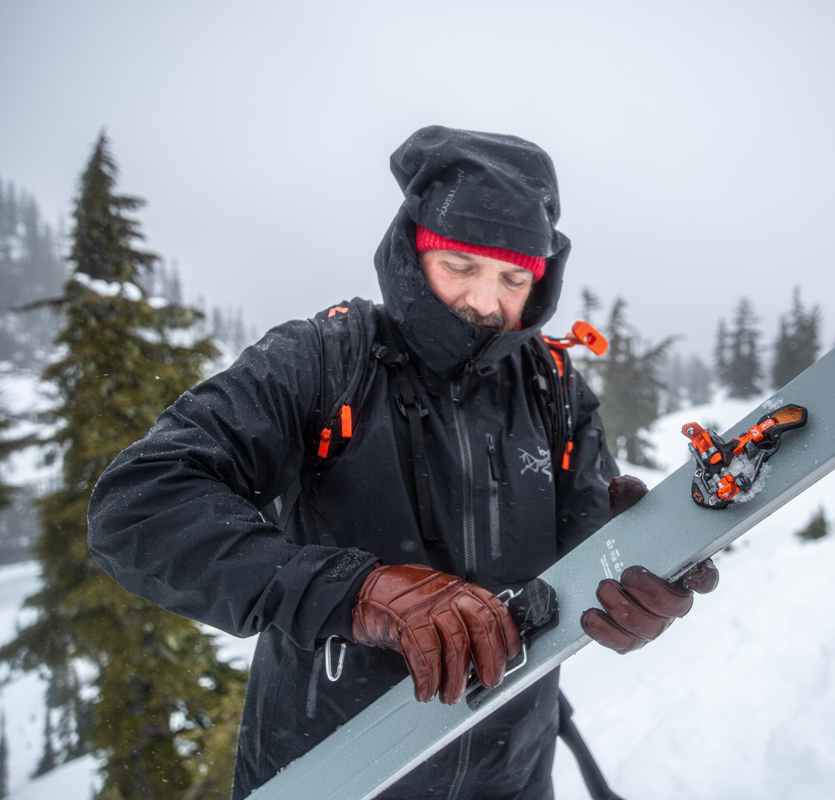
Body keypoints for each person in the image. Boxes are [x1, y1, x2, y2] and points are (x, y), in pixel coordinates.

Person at [87, 126, 716, 800]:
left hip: (514, 775)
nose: (486, 301)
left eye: (513, 277)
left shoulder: (554, 391)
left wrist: (633, 586)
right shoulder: (324, 360)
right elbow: (138, 504)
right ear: (413, 251)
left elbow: (584, 557)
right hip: (333, 773)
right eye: (461, 265)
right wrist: (357, 593)